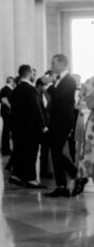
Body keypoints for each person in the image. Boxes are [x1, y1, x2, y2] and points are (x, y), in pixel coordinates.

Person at [8, 64, 48, 188]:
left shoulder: (16, 90)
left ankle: (16, 176)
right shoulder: (31, 90)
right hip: (31, 128)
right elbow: (36, 109)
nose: (34, 75)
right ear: (29, 73)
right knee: (31, 153)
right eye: (33, 73)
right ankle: (31, 179)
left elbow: (13, 110)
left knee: (20, 152)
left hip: (18, 128)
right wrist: (43, 125)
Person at [46, 53, 78, 197]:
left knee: (56, 152)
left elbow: (58, 96)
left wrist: (48, 84)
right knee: (55, 152)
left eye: (53, 63)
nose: (51, 66)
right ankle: (61, 186)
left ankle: (74, 173)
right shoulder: (61, 80)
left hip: (63, 122)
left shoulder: (70, 81)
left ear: (62, 64)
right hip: (56, 121)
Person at [72, 75, 94, 196]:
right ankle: (82, 177)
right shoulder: (91, 81)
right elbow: (86, 98)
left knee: (89, 153)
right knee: (89, 152)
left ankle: (82, 178)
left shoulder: (90, 81)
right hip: (92, 124)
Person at [0, 76, 15, 157]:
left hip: (6, 113)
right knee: (6, 131)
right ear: (11, 81)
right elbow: (3, 100)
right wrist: (11, 106)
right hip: (7, 113)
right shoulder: (6, 90)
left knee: (7, 131)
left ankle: (7, 148)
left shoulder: (4, 89)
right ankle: (6, 149)